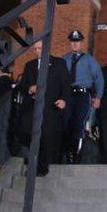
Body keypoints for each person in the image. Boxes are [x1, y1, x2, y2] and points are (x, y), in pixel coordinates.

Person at [16, 40, 71, 176]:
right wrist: (30, 89)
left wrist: (63, 99)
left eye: (40, 48)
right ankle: (33, 165)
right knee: (30, 136)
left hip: (50, 108)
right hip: (32, 108)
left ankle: (41, 168)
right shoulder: (30, 65)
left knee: (46, 138)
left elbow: (66, 84)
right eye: (35, 49)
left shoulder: (59, 64)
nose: (37, 51)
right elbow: (22, 86)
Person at [61, 30, 104, 163]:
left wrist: (98, 97)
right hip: (67, 94)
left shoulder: (89, 60)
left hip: (82, 94)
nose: (75, 45)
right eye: (73, 42)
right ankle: (67, 151)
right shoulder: (64, 59)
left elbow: (99, 79)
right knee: (65, 122)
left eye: (77, 42)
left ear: (81, 43)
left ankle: (76, 153)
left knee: (79, 123)